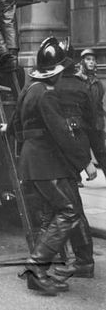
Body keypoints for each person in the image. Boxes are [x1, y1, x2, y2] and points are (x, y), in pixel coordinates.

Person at [10, 37, 97, 295]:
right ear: (57, 71)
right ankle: (36, 268)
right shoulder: (47, 95)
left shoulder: (28, 89)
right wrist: (86, 164)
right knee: (69, 211)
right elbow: (61, 133)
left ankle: (40, 270)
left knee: (51, 214)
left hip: (31, 162)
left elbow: (15, 126)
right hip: (46, 164)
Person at [50, 39, 96, 280]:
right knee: (70, 206)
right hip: (75, 154)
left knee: (68, 208)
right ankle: (78, 259)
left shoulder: (49, 86)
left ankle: (81, 260)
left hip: (55, 154)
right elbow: (92, 126)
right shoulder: (81, 87)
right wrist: (91, 160)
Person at [76, 48, 106, 177]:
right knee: (79, 151)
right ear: (82, 62)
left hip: (95, 123)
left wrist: (101, 123)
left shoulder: (98, 83)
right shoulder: (76, 80)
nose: (91, 62)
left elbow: (100, 105)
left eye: (93, 60)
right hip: (81, 122)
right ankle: (76, 179)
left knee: (101, 152)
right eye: (88, 59)